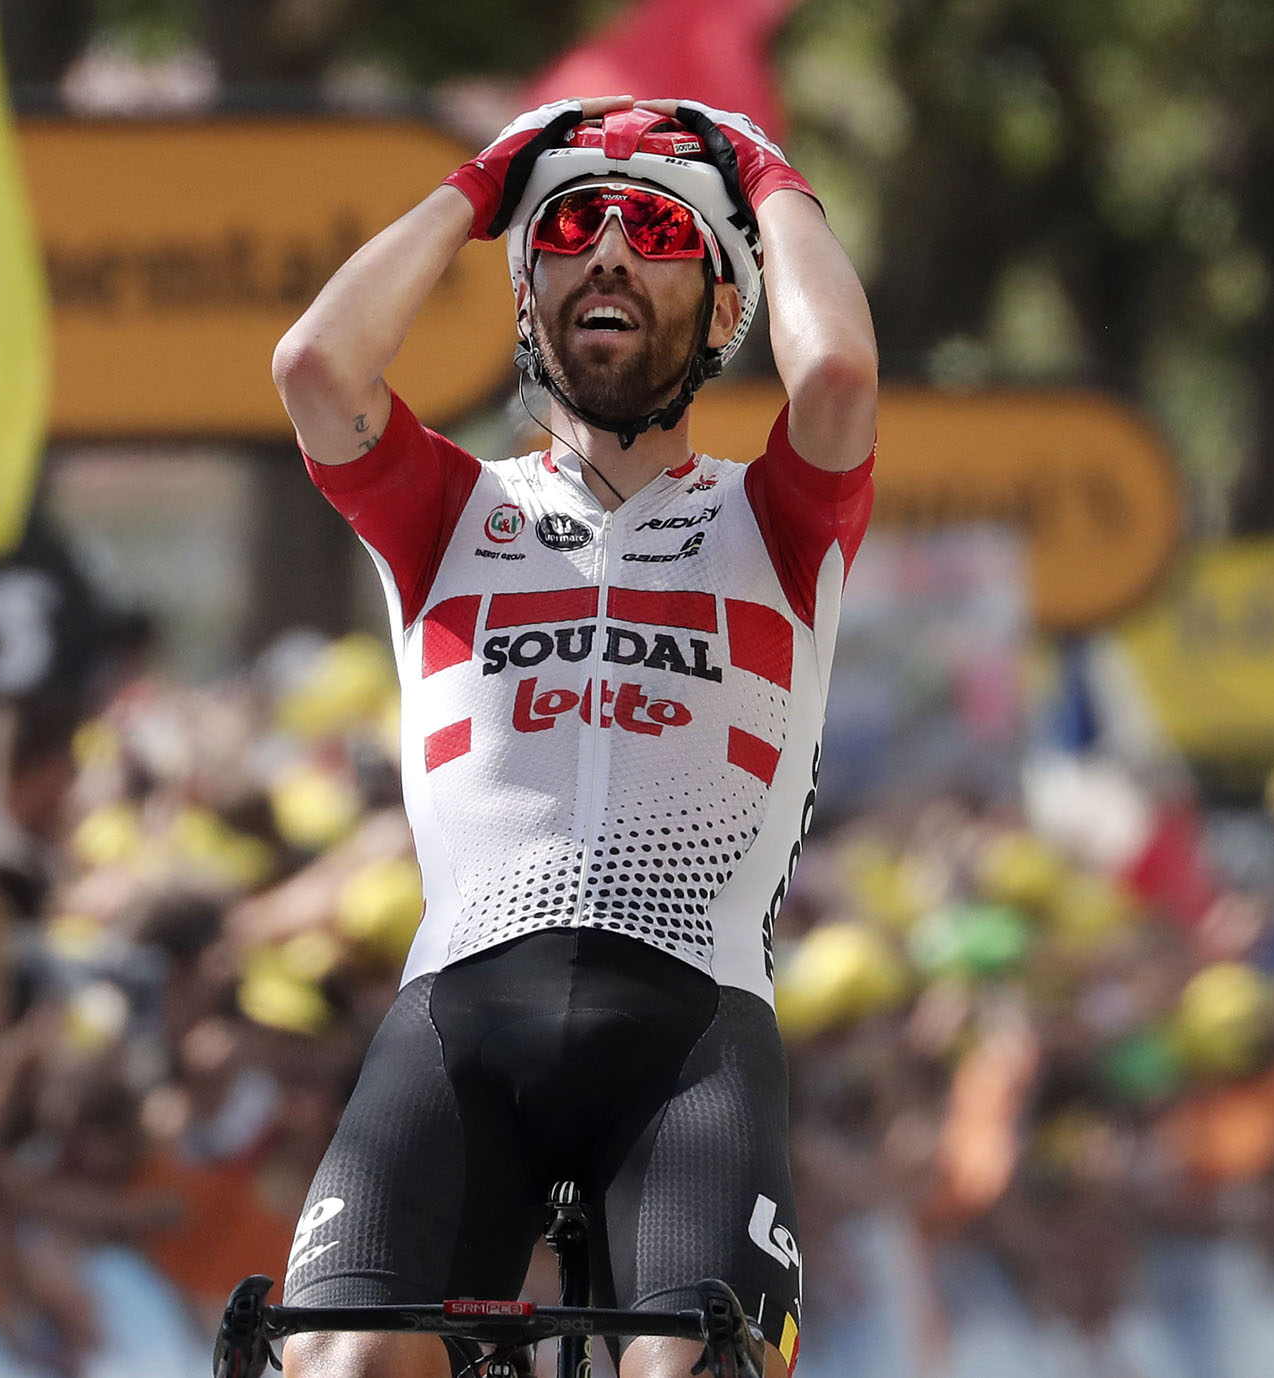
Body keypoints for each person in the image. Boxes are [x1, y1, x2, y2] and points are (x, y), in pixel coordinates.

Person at [270, 94, 877, 1378]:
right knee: (338, 1362)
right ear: (526, 292)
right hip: (458, 1012)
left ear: (725, 310)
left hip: (690, 1031)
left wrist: (764, 173)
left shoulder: (774, 522)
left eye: (653, 229)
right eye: (569, 230)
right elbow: (315, 367)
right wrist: (484, 181)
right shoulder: (451, 511)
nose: (603, 250)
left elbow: (835, 376)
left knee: (684, 1367)